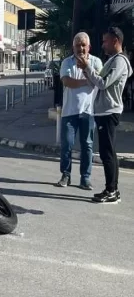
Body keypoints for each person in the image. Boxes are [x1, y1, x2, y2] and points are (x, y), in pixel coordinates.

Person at [77, 26, 133, 204]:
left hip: (109, 111)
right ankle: (112, 189)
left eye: (105, 41)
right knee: (108, 152)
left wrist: (87, 67)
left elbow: (102, 83)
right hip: (103, 111)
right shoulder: (112, 60)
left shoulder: (119, 61)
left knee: (107, 153)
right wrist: (86, 69)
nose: (103, 45)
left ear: (115, 41)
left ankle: (112, 190)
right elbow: (96, 81)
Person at [56, 32, 103, 190]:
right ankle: (66, 175)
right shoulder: (66, 63)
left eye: (83, 45)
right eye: (78, 45)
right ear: (73, 47)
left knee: (87, 146)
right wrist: (87, 81)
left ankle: (85, 178)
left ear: (89, 47)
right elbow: (67, 82)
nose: (81, 48)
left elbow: (100, 82)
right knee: (67, 145)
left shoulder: (96, 62)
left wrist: (90, 78)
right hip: (69, 112)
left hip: (89, 112)